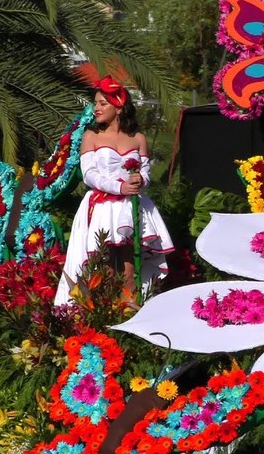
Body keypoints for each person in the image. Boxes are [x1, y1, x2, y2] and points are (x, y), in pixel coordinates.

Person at [55, 76, 174, 306]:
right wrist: (119, 186)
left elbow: (146, 173)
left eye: (102, 103)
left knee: (130, 269)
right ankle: (104, 317)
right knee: (104, 269)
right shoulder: (91, 136)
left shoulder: (138, 138)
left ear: (118, 107)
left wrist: (141, 180)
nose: (96, 108)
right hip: (102, 207)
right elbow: (89, 175)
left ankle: (129, 317)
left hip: (131, 208)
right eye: (95, 104)